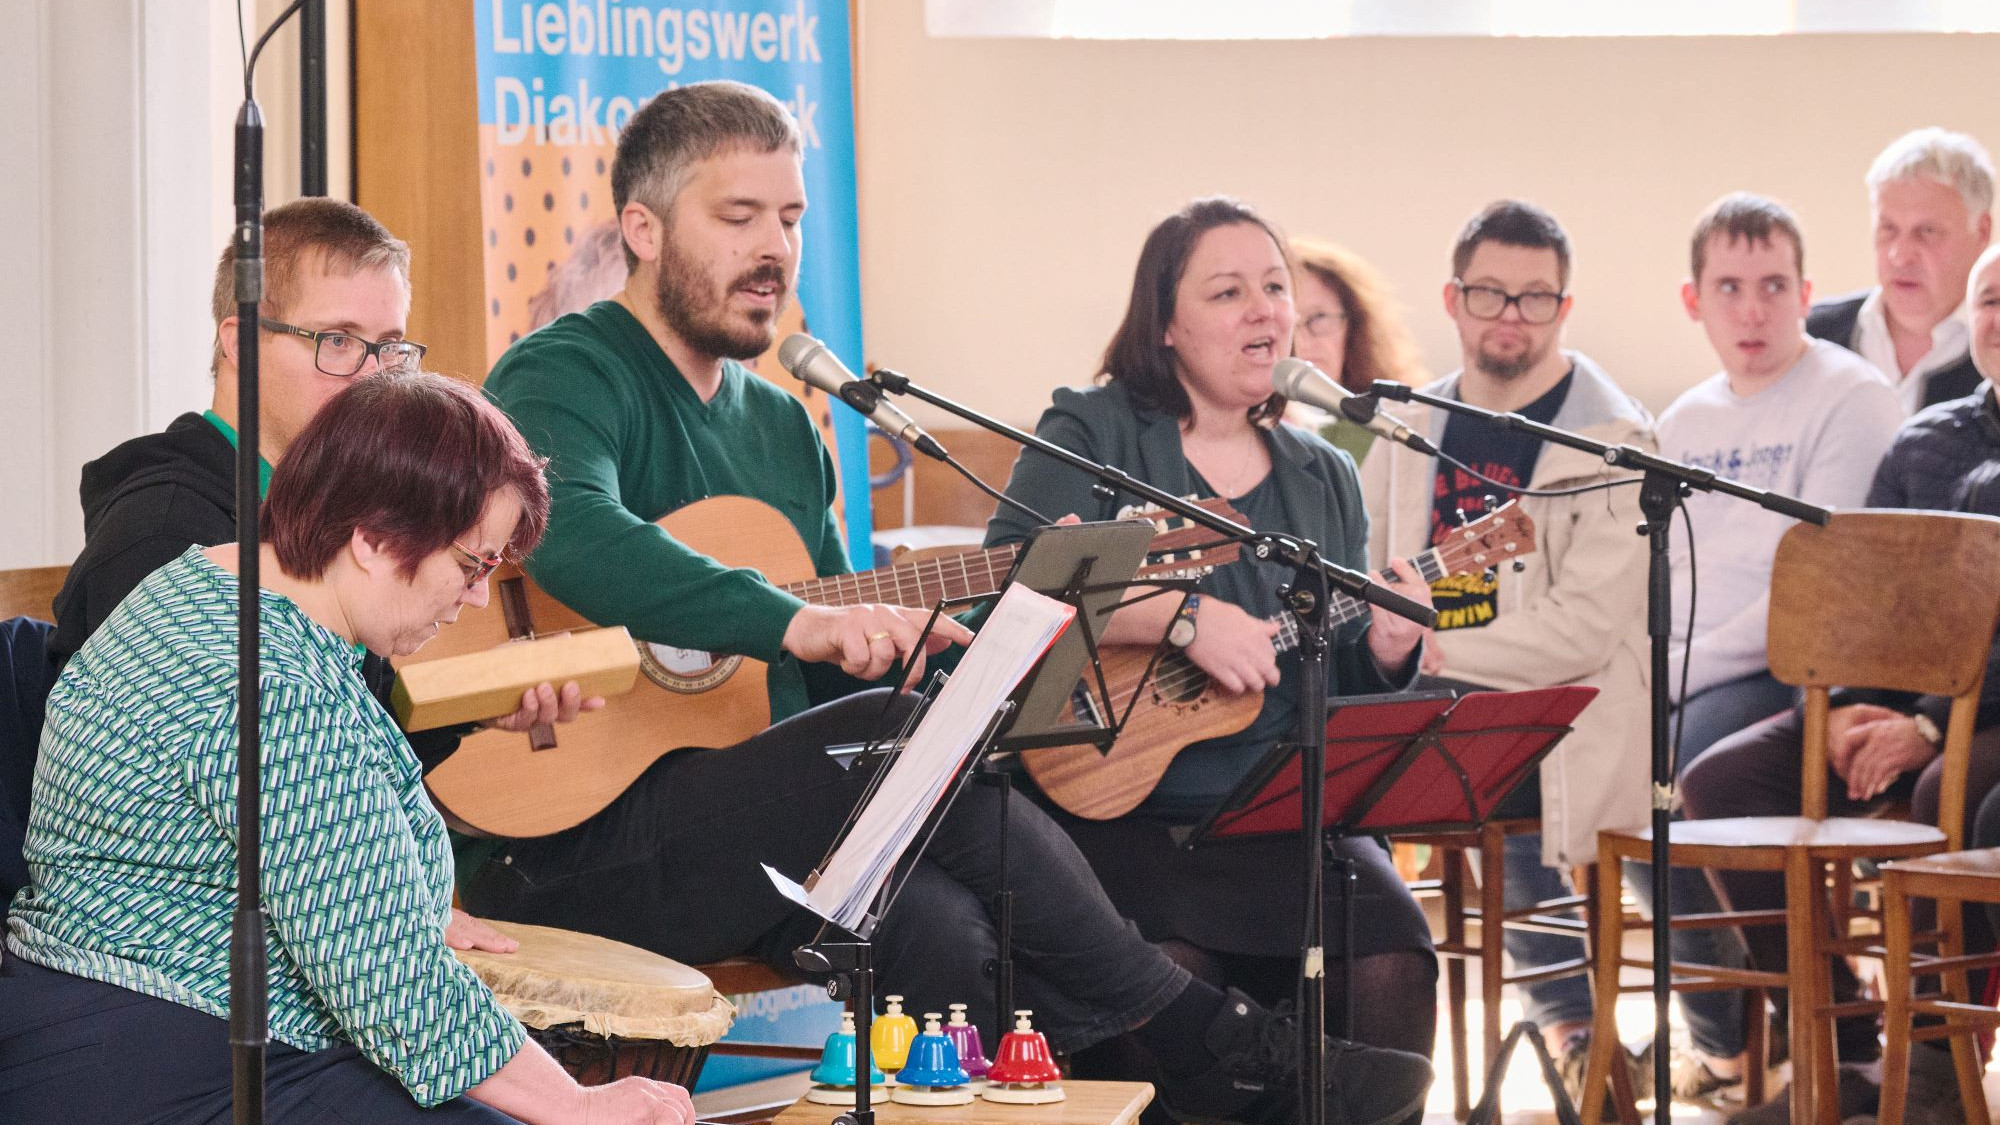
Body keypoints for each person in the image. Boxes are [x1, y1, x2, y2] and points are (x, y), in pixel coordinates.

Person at [475, 81, 1431, 1125]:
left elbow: (835, 633)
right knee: (908, 757)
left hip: (739, 828)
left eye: (790, 219)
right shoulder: (568, 370)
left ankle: (1178, 1072)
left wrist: (951, 638)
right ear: (643, 230)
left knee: (946, 926)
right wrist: (793, 623)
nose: (774, 248)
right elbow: (566, 529)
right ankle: (1202, 1037)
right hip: (568, 836)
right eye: (737, 216)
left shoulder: (782, 427)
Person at [2, 372, 691, 1124]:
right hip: (162, 1059)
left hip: (109, 1033)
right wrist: (579, 1102)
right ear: (370, 538)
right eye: (473, 565)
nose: (476, 599)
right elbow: (390, 978)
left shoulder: (201, 583)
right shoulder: (264, 680)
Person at [44, 196, 587, 952]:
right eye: (337, 340)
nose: (373, 376)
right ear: (240, 341)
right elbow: (194, 809)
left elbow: (321, 757)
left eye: (392, 346)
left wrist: (471, 703)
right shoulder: (167, 531)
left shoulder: (328, 520)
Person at [983, 197, 1440, 1073]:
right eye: (1230, 292)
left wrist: (1385, 648)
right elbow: (1010, 581)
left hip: (1281, 805)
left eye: (1276, 286)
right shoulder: (1095, 429)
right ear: (1165, 324)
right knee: (1170, 982)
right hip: (1120, 801)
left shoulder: (1324, 474)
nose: (1267, 309)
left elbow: (1329, 677)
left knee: (1394, 961)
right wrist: (1182, 618)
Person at [1357, 200, 1669, 1095]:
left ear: (1565, 309)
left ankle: (1579, 1032)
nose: (1511, 317)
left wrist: (1432, 653)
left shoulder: (1613, 438)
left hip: (1569, 719)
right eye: (1491, 293)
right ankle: (1358, 1050)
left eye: (1536, 298)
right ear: (1453, 300)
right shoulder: (1409, 425)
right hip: (1423, 704)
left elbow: (1580, 631)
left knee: (1500, 756)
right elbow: (1367, 570)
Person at [1684, 243, 2000, 1125]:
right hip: (1904, 704)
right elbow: (1867, 595)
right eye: (1988, 302)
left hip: (1988, 717)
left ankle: (1937, 1068)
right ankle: (1841, 1045)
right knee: (1721, 781)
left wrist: (1930, 727)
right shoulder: (1927, 437)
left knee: (1948, 791)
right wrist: (1835, 710)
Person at [1648, 192, 1904, 1103]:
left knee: (1669, 764)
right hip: (1682, 666)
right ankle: (1730, 1034)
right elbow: (1660, 572)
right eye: (1729, 287)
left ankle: (1831, 1021)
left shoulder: (1850, 396)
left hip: (1800, 669)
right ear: (1694, 301)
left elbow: (1816, 584)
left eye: (1772, 287)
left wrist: (1670, 676)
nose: (1752, 311)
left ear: (1807, 291)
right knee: (1604, 771)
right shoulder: (1681, 422)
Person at [1808, 127, 1994, 413]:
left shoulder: (1993, 347)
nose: (1900, 255)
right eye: (1888, 229)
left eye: (1927, 231)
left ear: (1981, 232)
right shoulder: (1811, 338)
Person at [1289, 238, 1428, 463]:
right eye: (1289, 324)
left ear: (1354, 326)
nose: (1303, 342)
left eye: (1319, 318)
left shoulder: (1394, 426)